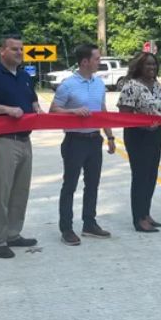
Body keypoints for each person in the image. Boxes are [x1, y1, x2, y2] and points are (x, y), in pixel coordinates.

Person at [0, 35, 42, 259]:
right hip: (2, 141)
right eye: (14, 49)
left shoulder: (24, 76)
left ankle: (13, 233)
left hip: (24, 140)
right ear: (1, 51)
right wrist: (6, 109)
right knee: (2, 192)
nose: (19, 53)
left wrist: (37, 108)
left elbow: (32, 100)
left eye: (21, 49)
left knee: (21, 190)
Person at [50, 43, 116, 245]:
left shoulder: (98, 84)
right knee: (70, 185)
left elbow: (102, 110)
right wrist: (72, 111)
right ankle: (67, 229)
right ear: (85, 61)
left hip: (95, 140)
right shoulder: (68, 85)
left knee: (93, 184)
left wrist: (110, 136)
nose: (99, 62)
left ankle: (89, 223)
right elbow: (53, 110)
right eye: (97, 59)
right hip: (74, 141)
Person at [118, 52, 161, 232]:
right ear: (139, 66)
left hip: (155, 136)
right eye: (148, 64)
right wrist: (144, 125)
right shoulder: (131, 86)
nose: (152, 68)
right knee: (140, 176)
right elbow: (123, 116)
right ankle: (138, 218)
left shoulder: (158, 86)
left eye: (154, 65)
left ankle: (146, 213)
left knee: (151, 176)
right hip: (137, 137)